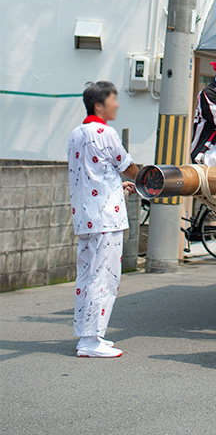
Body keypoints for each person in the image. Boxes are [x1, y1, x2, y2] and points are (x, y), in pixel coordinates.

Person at [67, 81, 140, 358]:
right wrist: (148, 181)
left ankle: (88, 334)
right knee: (105, 277)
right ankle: (90, 340)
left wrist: (115, 187)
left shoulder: (75, 133)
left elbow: (93, 174)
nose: (117, 104)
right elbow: (128, 167)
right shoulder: (105, 132)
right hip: (107, 219)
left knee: (86, 275)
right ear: (99, 105)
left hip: (86, 215)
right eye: (113, 99)